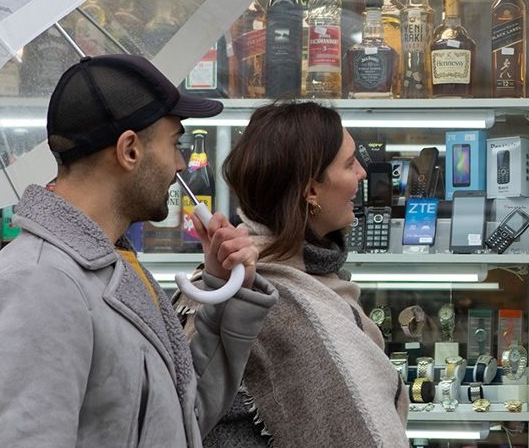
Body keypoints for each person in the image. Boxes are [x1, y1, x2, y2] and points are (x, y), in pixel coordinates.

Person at [0, 54, 279, 447]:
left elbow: (181, 420)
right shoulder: (38, 285)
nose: (180, 163)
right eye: (174, 143)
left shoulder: (111, 265)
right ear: (129, 150)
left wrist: (225, 292)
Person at [174, 101, 409, 447]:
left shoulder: (324, 283)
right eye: (349, 163)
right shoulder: (234, 286)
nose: (362, 173)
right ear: (311, 191)